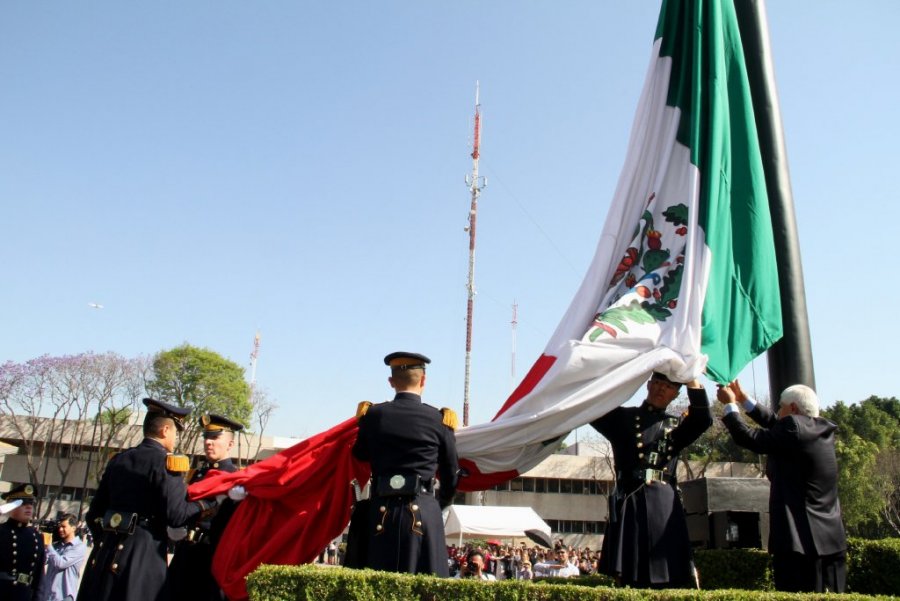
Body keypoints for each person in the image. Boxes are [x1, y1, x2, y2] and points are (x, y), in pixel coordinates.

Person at [77, 398, 218, 601]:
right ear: (165, 431)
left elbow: (93, 515)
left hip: (104, 552)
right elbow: (177, 516)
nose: (175, 439)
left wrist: (106, 538)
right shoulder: (167, 462)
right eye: (175, 433)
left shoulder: (119, 459)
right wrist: (206, 504)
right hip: (143, 554)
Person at [717, 380, 847, 593]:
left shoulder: (793, 428)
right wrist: (743, 399)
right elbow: (776, 422)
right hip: (831, 542)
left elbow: (749, 438)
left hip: (799, 544)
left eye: (781, 406)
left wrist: (730, 406)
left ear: (793, 408)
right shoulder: (820, 429)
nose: (778, 410)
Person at [590, 372, 712, 588]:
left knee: (667, 573)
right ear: (648, 384)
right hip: (631, 500)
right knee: (628, 576)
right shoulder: (623, 418)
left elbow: (702, 419)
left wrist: (691, 376)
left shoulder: (676, 426)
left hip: (663, 505)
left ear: (676, 394)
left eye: (669, 386)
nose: (661, 389)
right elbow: (590, 407)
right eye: (657, 382)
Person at [349, 351, 459, 576]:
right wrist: (440, 503)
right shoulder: (440, 419)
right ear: (423, 380)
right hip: (423, 510)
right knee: (428, 587)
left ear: (391, 382)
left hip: (381, 510)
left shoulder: (372, 415)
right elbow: (450, 472)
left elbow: (359, 454)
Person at [168, 413, 244, 600]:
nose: (208, 442)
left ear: (230, 444)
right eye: (206, 437)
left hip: (212, 557)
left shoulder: (236, 479)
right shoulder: (198, 473)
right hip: (185, 552)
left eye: (215, 437)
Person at [0, 483, 44, 601]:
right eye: (23, 503)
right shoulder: (2, 532)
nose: (29, 507)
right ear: (10, 506)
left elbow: (39, 577)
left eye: (31, 503)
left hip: (25, 595)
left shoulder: (36, 536)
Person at [37, 513, 87, 601]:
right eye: (59, 527)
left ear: (73, 528)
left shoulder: (79, 547)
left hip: (64, 596)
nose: (60, 529)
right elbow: (43, 561)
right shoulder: (56, 546)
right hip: (48, 595)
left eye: (64, 527)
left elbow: (61, 563)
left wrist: (48, 546)